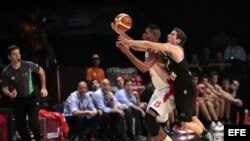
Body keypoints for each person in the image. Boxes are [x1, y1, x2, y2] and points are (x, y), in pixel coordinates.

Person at [116, 27, 214, 141]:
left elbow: (144, 57)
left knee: (185, 124)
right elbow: (137, 46)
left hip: (181, 88)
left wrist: (127, 46)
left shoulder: (174, 48)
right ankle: (208, 137)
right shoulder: (165, 51)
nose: (168, 35)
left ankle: (206, 133)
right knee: (192, 118)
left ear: (178, 40)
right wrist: (121, 33)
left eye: (172, 34)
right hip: (178, 87)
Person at [112, 23, 175, 141]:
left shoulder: (156, 51)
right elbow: (135, 46)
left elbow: (143, 68)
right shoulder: (149, 48)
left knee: (149, 119)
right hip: (160, 90)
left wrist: (126, 51)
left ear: (152, 36)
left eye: (146, 32)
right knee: (155, 125)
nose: (142, 34)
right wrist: (119, 31)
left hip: (168, 90)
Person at [1, 45, 48, 141]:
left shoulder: (28, 65)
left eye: (19, 53)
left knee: (32, 124)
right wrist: (10, 94)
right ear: (9, 57)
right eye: (14, 54)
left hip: (32, 98)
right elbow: (4, 88)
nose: (18, 56)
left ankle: (39, 139)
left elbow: (41, 71)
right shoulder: (6, 72)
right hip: (18, 101)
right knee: (21, 128)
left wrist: (43, 88)